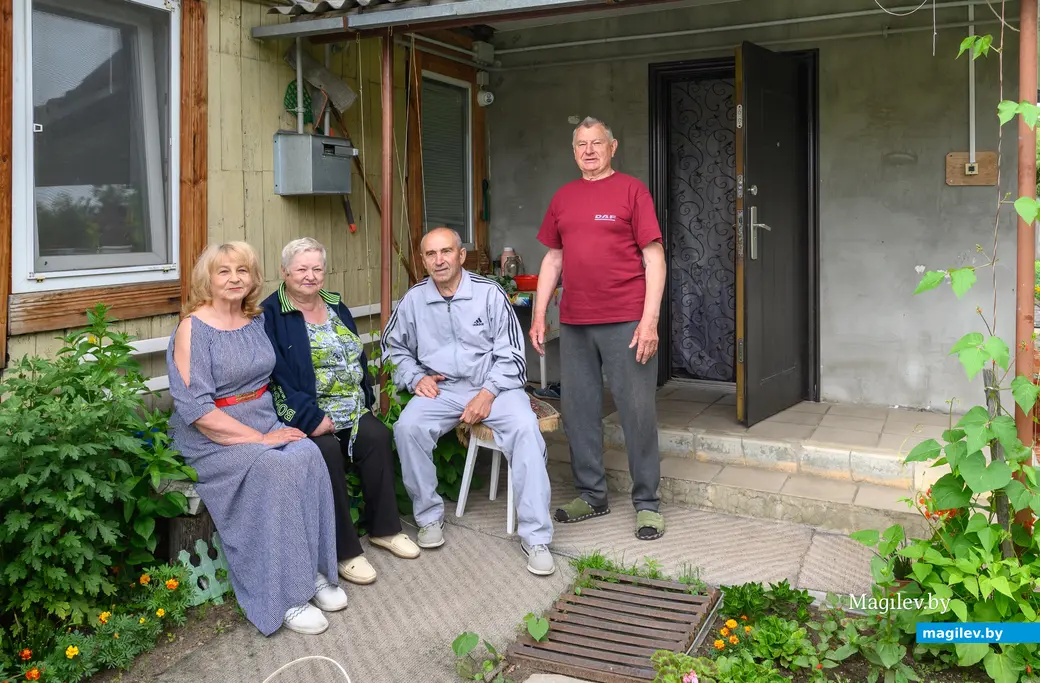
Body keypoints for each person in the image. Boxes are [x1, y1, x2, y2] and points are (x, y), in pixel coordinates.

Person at [166, 241, 346, 637]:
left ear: (253, 278)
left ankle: (311, 571)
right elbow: (198, 411)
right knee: (273, 468)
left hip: (263, 421)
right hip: (210, 437)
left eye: (242, 270)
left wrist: (276, 428)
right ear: (208, 279)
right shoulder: (193, 328)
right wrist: (259, 439)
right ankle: (285, 596)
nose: (234, 279)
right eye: (224, 271)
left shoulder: (254, 320)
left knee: (308, 454)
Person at [381, 227, 556, 576]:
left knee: (525, 430)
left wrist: (487, 394)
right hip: (443, 389)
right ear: (423, 261)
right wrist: (415, 377)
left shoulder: (489, 294)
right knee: (408, 428)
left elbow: (513, 355)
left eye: (446, 251)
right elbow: (393, 348)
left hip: (496, 387)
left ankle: (536, 538)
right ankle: (428, 518)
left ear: (461, 256)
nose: (439, 260)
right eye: (431, 254)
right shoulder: (414, 300)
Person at [530, 116, 668, 541]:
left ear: (612, 147)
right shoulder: (564, 197)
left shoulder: (632, 191)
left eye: (596, 143)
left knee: (637, 412)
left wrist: (650, 320)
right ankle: (592, 495)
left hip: (627, 320)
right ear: (574, 151)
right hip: (575, 322)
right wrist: (539, 314)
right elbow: (553, 258)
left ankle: (647, 503)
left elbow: (654, 257)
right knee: (579, 411)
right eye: (581, 144)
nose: (589, 151)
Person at [261, 238, 421, 586]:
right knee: (326, 453)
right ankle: (344, 550)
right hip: (306, 415)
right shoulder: (271, 314)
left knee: (377, 437)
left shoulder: (335, 303)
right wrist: (309, 418)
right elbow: (276, 375)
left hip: (351, 408)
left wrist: (365, 398)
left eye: (317, 268)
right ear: (284, 272)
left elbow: (355, 355)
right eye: (301, 269)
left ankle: (385, 529)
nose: (310, 275)